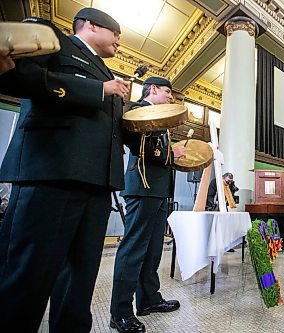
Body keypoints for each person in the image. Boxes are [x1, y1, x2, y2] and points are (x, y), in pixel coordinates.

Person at [0, 8, 130, 332]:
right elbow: (22, 76)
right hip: (53, 177)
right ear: (91, 25)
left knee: (79, 283)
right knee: (28, 279)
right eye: (115, 33)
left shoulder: (106, 72)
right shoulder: (54, 41)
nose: (118, 41)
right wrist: (99, 90)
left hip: (97, 185)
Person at [110, 77, 186, 333]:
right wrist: (171, 154)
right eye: (167, 92)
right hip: (142, 188)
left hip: (158, 190)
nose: (170, 97)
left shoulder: (159, 117)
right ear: (152, 89)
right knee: (133, 250)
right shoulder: (136, 112)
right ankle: (120, 312)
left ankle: (149, 300)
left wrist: (171, 154)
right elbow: (142, 148)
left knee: (153, 250)